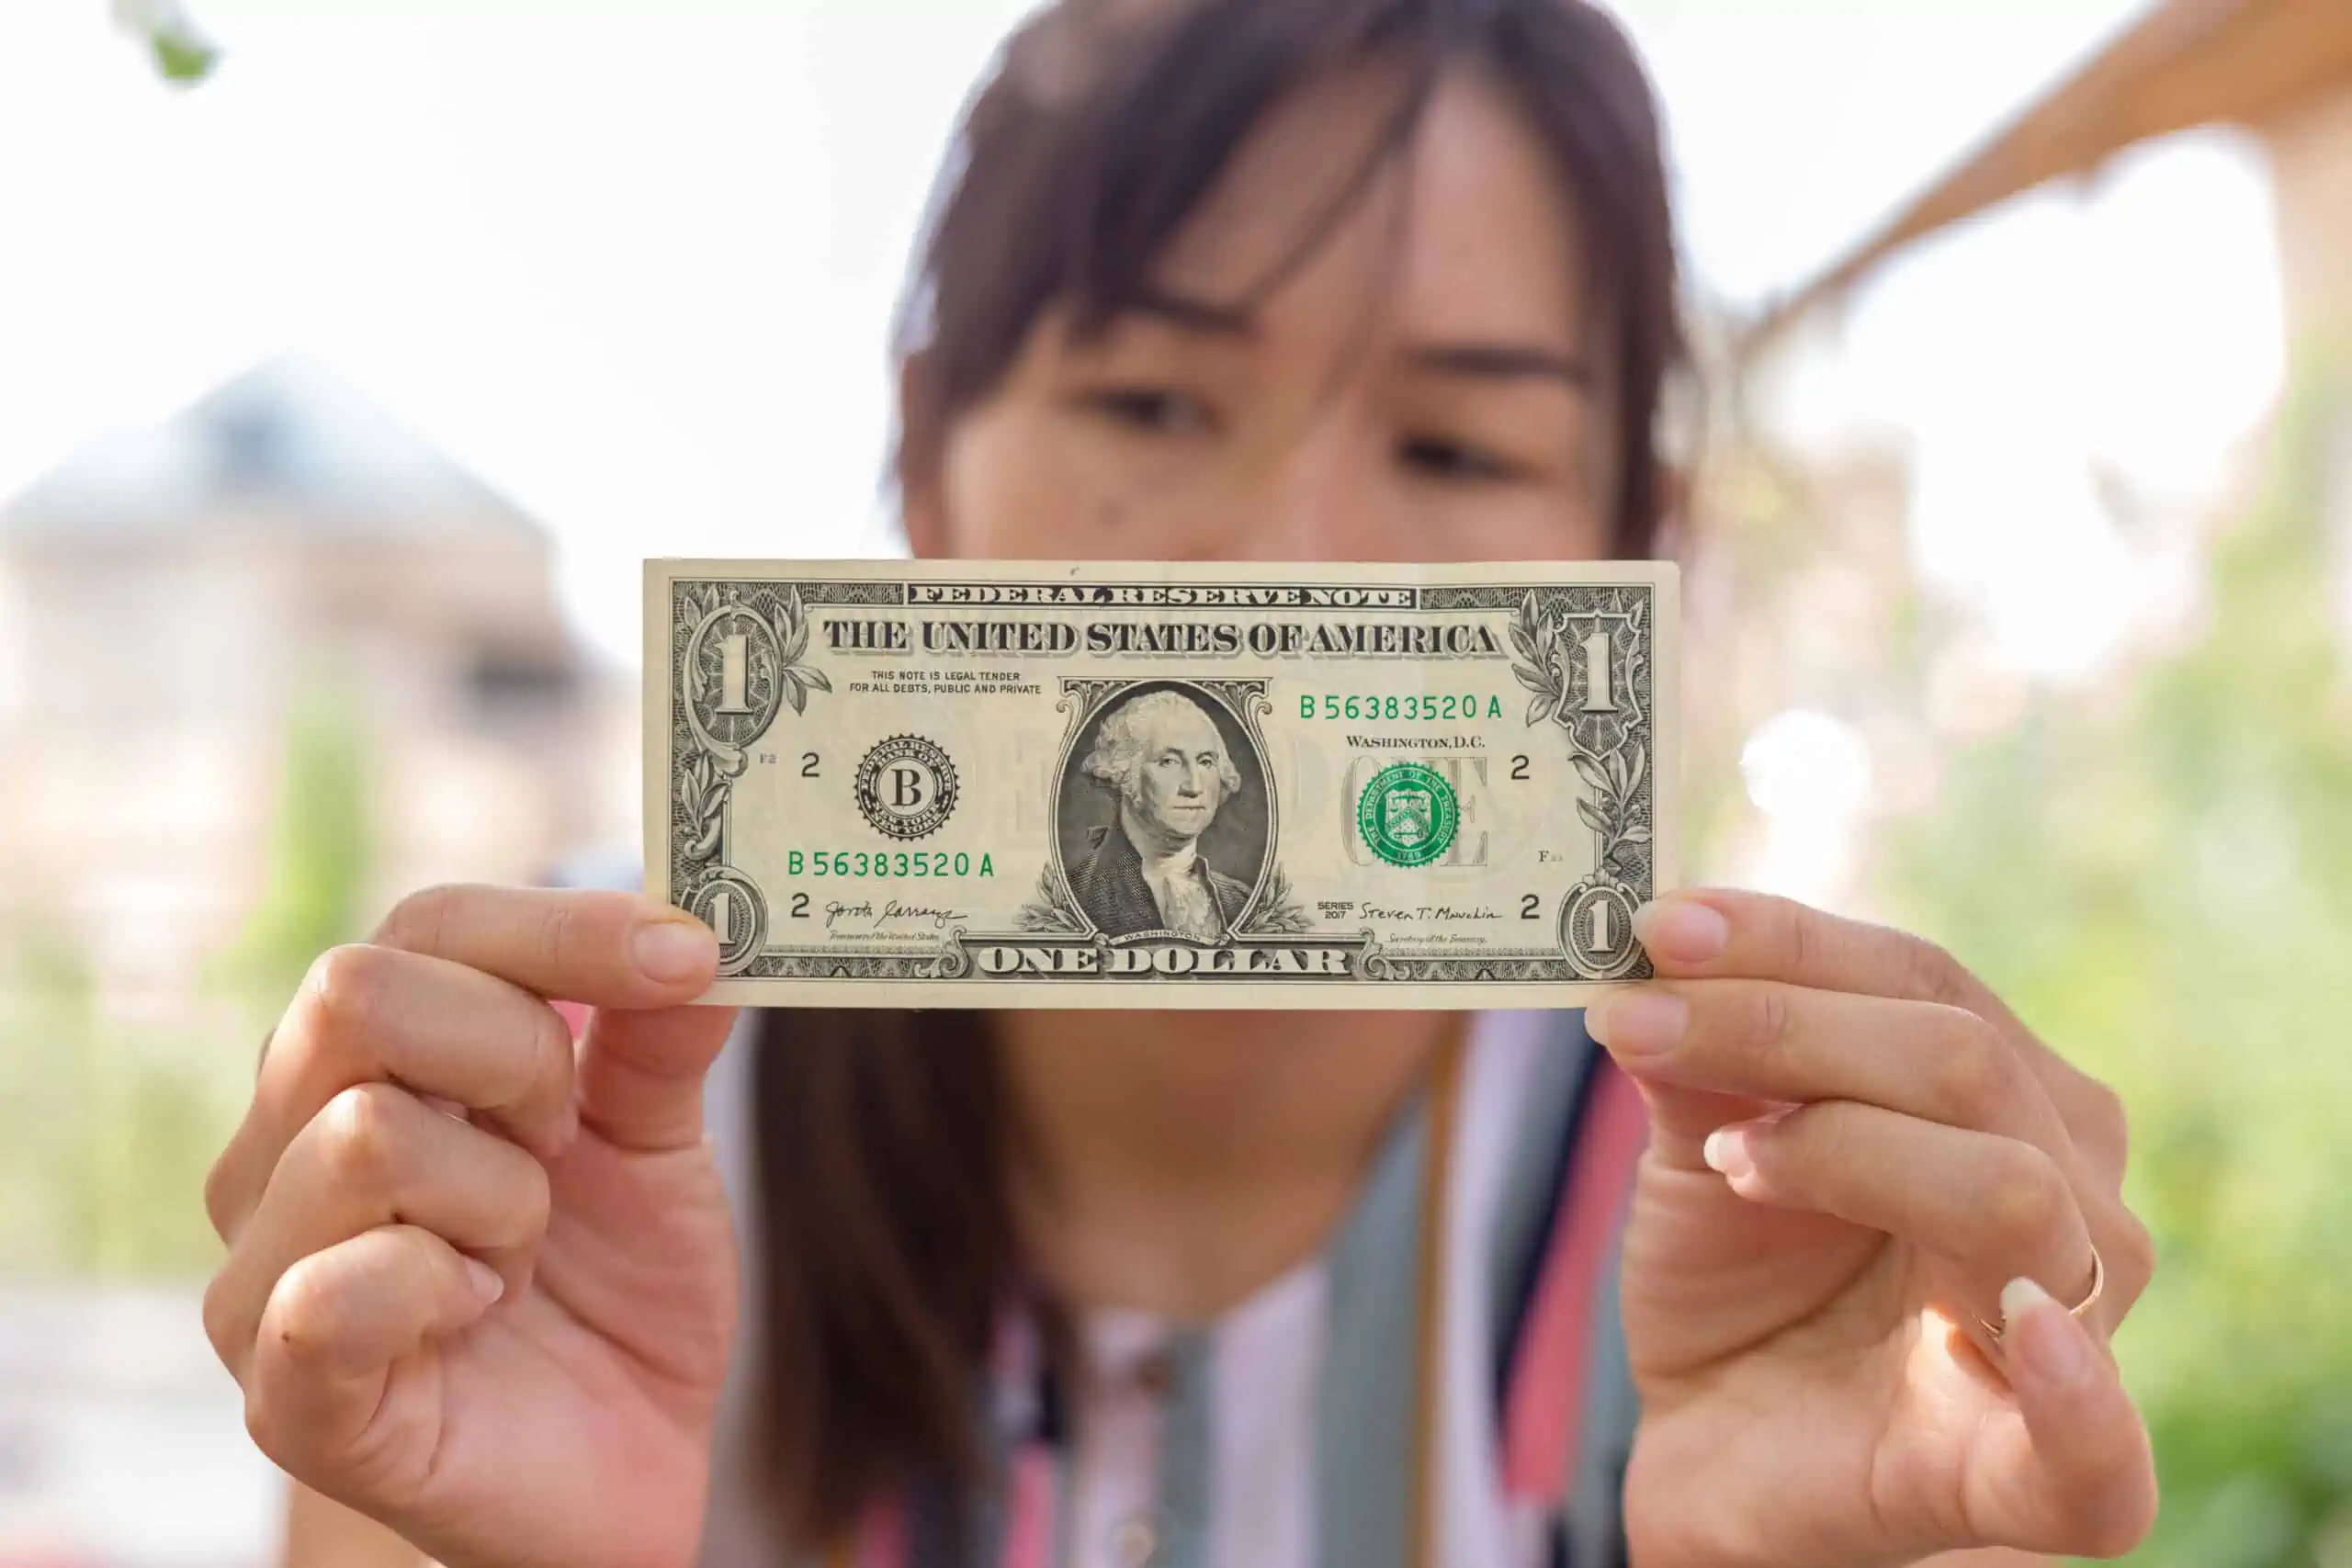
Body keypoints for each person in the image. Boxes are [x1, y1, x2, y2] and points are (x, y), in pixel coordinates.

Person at [202, 2, 2160, 1565]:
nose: (1279, 562)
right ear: (928, 466)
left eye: (1458, 448)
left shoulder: (1776, 1222)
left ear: (1625, 550)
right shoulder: (568, 1135)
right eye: (1149, 400)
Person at [1068, 688, 1255, 941]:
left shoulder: (1242, 901)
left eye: (1206, 762)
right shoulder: (1075, 896)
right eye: (1168, 761)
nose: (1194, 787)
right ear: (1123, 771)